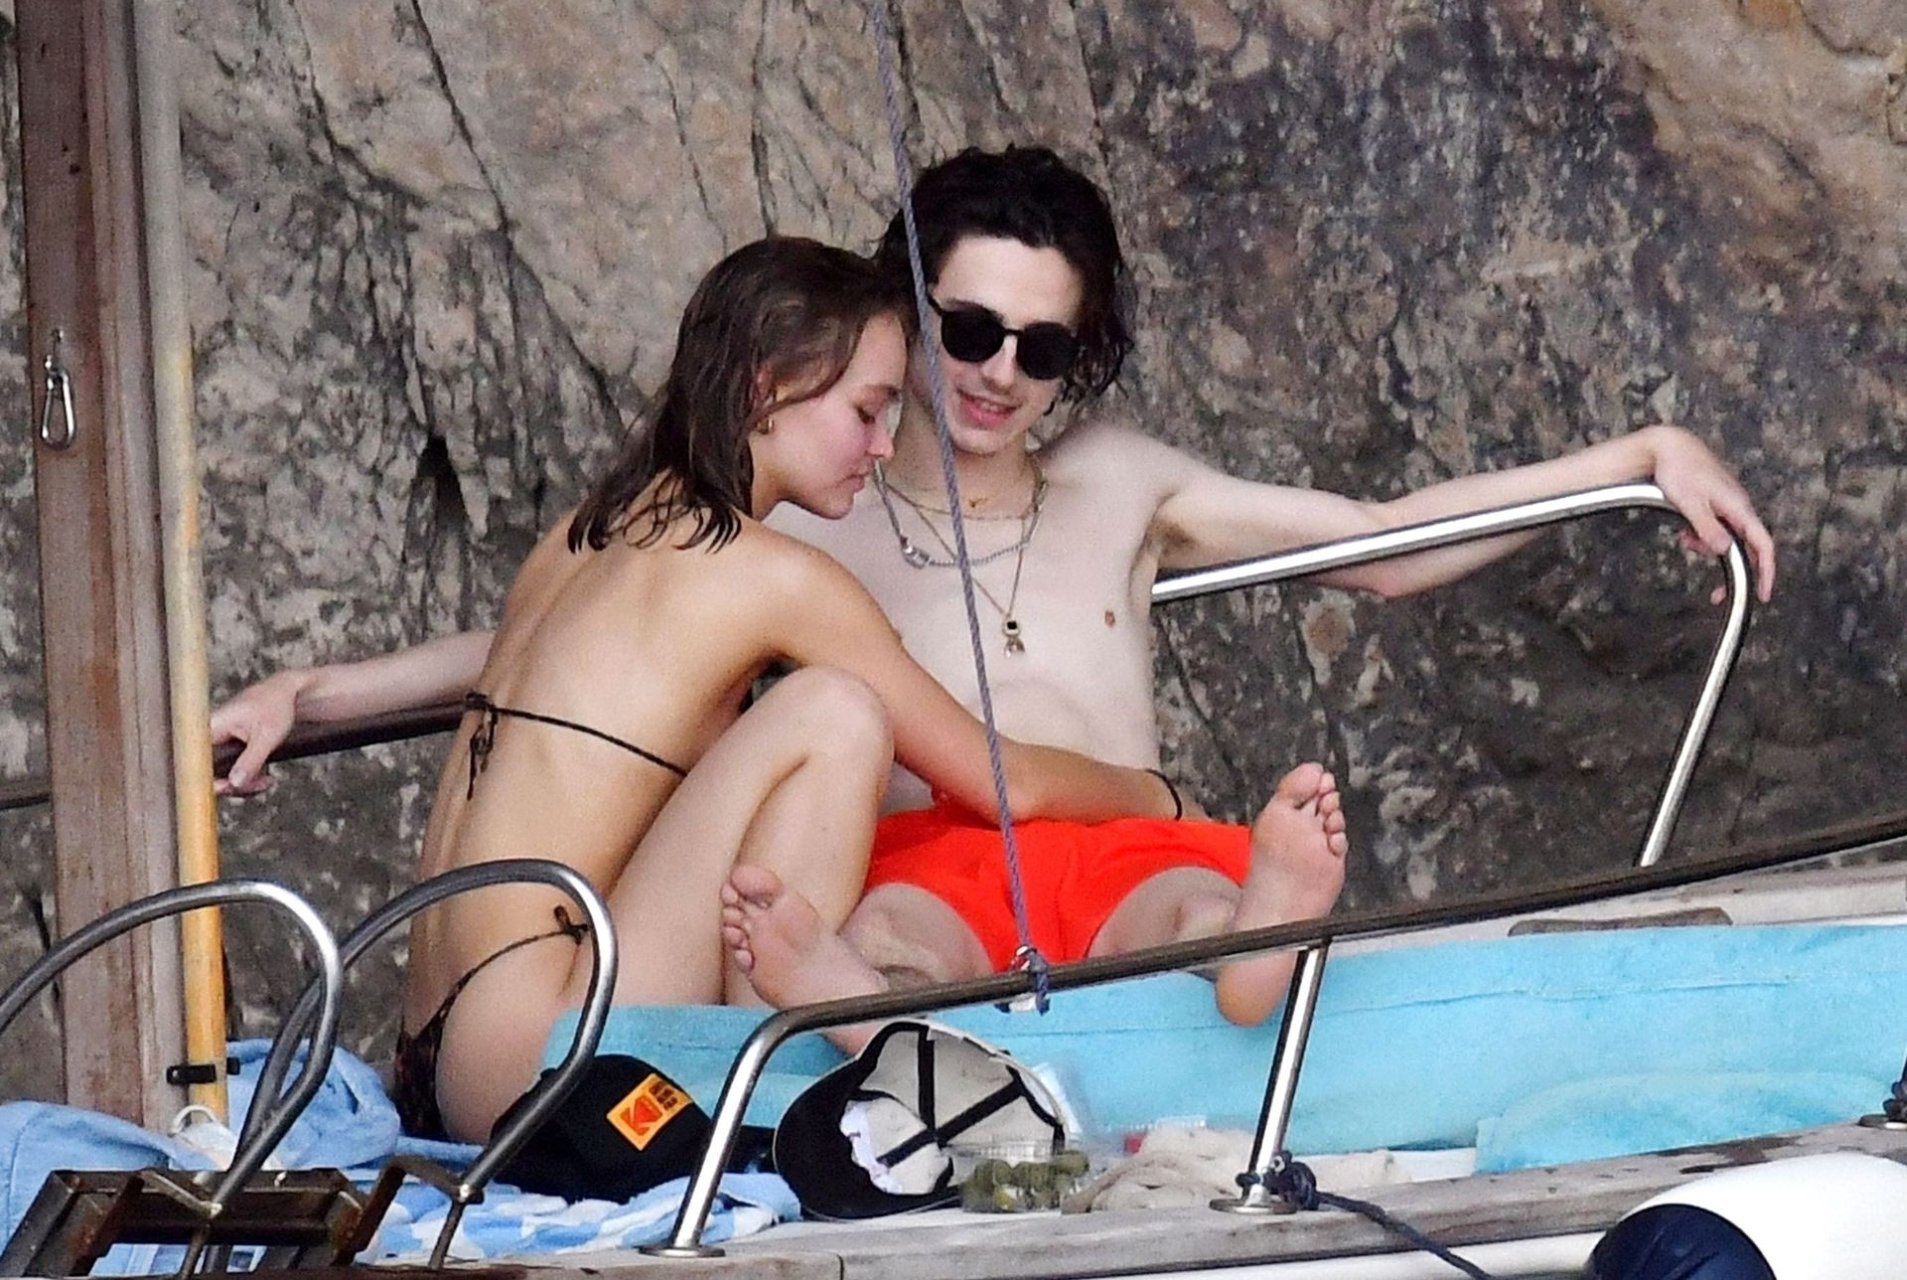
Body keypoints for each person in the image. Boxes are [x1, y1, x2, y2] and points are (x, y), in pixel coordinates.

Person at [216, 145, 1773, 1038]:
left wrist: (1631, 457)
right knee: (898, 942)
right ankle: (862, 1001)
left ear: (1075, 357)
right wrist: (317, 692)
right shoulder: (811, 515)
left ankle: (1250, 935)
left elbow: (1376, 541)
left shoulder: (1122, 482)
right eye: (962, 331)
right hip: (930, 855)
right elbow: (567, 642)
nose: (993, 373)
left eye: (1039, 346)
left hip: (1128, 853)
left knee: (1192, 899)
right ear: (901, 317)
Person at [235, 234, 1190, 1144]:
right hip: (540, 1062)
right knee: (835, 711)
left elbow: (513, 657)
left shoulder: (594, 531)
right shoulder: (773, 576)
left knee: (821, 707)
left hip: (437, 1055)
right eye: (866, 412)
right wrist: (1156, 799)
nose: (881, 446)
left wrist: (308, 691)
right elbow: (1001, 782)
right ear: (767, 390)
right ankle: (781, 1088)